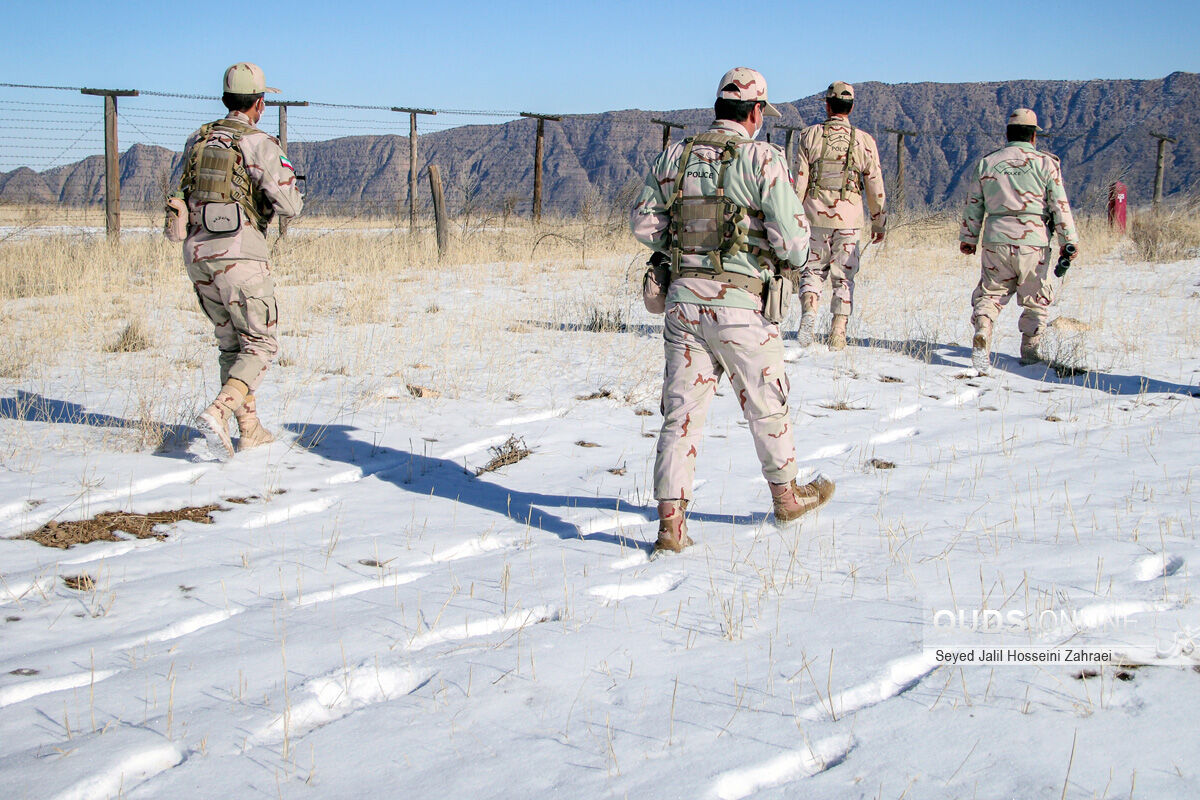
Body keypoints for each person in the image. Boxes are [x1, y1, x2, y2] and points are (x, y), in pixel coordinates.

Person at [631, 67, 835, 555]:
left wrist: (684, 248)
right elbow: (793, 242)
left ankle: (670, 526)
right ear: (757, 112)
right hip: (743, 306)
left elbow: (643, 224)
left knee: (680, 415)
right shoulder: (763, 158)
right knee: (767, 404)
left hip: (683, 305)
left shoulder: (674, 156)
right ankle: (787, 499)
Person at [178, 63, 303, 458]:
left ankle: (249, 430)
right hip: (239, 255)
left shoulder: (196, 141)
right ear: (260, 104)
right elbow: (289, 205)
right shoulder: (258, 142)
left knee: (231, 344)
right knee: (261, 343)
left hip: (197, 254)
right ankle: (220, 409)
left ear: (225, 98)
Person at [959, 108, 1078, 372]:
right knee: (1036, 297)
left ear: (1007, 134)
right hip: (1033, 240)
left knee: (991, 292)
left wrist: (969, 237)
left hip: (995, 237)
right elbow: (1060, 205)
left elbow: (974, 204)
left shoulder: (988, 162)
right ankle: (1030, 351)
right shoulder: (1047, 164)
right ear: (1034, 136)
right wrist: (1069, 240)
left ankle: (983, 331)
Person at [792, 81, 886, 350]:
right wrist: (879, 221)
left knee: (811, 270)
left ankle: (809, 313)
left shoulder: (809, 136)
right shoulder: (865, 141)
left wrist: (793, 217)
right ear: (851, 107)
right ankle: (838, 333)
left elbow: (800, 182)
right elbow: (875, 187)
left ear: (827, 105)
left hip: (814, 217)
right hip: (849, 219)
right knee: (844, 276)